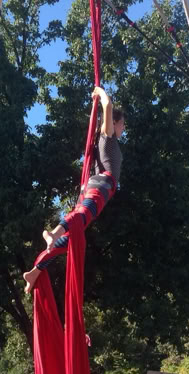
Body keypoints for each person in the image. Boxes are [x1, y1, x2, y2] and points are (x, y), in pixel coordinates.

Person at [23, 86, 124, 293]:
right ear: (113, 123)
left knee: (74, 235)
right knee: (81, 215)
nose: (124, 128)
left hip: (100, 186)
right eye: (123, 124)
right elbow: (108, 105)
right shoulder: (107, 135)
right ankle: (53, 232)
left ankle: (36, 269)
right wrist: (100, 92)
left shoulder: (104, 140)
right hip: (103, 183)